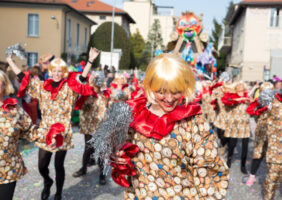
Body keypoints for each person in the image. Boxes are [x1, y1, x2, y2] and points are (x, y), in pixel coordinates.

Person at [112, 53, 229, 199]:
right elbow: (124, 151)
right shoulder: (135, 114)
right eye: (161, 92)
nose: (169, 99)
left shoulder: (193, 122)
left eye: (175, 92)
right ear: (150, 86)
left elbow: (210, 169)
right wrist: (119, 156)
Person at [6, 47, 100, 200]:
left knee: (58, 165)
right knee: (42, 165)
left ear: (63, 72)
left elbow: (81, 79)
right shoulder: (41, 86)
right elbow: (24, 77)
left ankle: (58, 194)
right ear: (49, 72)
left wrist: (90, 60)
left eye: (59, 71)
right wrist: (10, 61)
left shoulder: (69, 87)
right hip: (45, 129)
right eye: (53, 71)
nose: (56, 74)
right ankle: (48, 181)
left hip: (63, 131)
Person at [0, 70, 56, 200]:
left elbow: (30, 130)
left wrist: (48, 137)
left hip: (7, 169)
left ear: (4, 85)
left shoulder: (14, 110)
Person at [72, 71, 108, 185]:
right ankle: (83, 169)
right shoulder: (86, 92)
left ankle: (102, 174)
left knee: (100, 150)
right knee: (88, 147)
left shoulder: (104, 95)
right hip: (88, 124)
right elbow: (79, 105)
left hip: (100, 125)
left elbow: (106, 109)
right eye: (94, 79)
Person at [245, 82, 274, 186]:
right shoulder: (259, 101)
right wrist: (260, 109)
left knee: (273, 154)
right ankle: (252, 175)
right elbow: (249, 109)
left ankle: (271, 178)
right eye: (264, 90)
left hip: (275, 132)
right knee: (258, 153)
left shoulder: (277, 102)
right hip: (261, 130)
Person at [221, 81, 251, 174]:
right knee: (232, 144)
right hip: (234, 124)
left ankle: (243, 165)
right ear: (235, 87)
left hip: (245, 124)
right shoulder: (231, 95)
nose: (240, 86)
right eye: (238, 85)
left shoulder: (248, 97)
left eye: (241, 85)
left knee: (245, 145)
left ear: (244, 86)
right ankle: (229, 160)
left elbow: (252, 107)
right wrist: (238, 99)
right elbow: (226, 102)